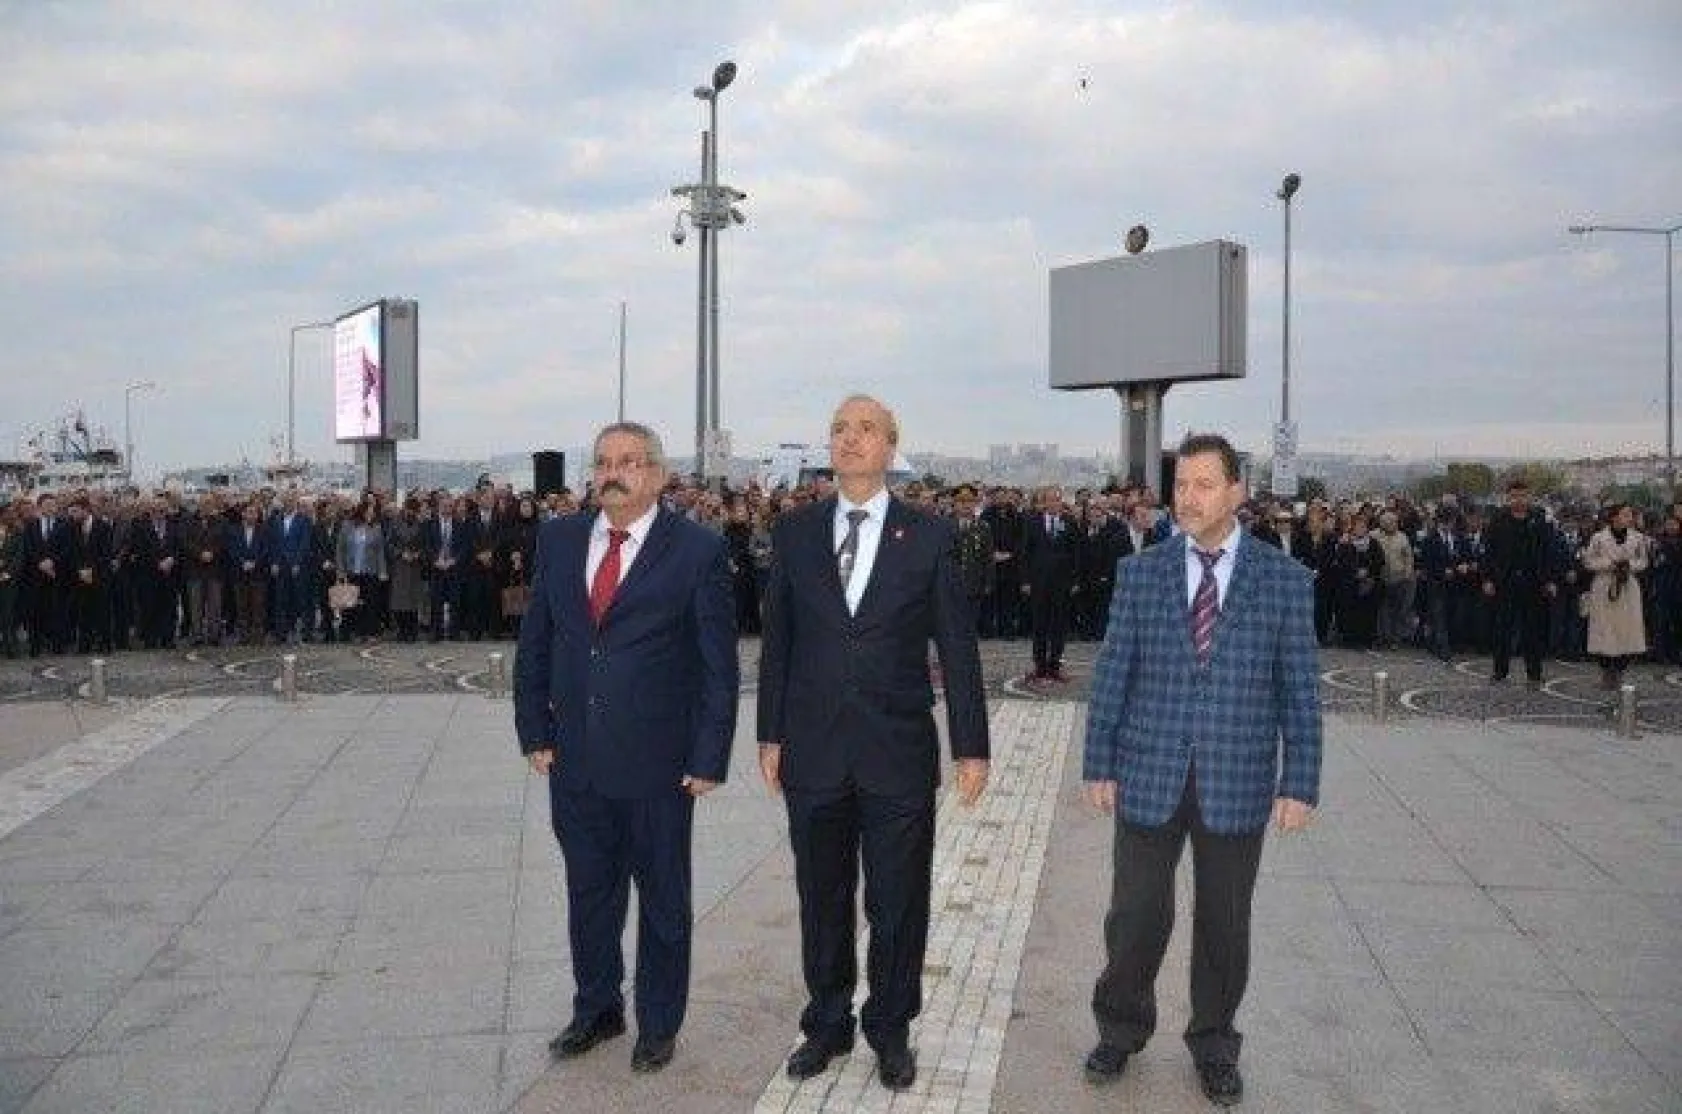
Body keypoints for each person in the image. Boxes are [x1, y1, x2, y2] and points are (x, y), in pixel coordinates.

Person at [756, 394, 990, 1093]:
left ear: (891, 447)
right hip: (815, 750)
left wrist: (970, 746)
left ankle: (889, 1027)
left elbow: (957, 645)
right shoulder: (795, 532)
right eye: (839, 429)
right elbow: (779, 644)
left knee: (897, 901)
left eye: (865, 430)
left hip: (898, 753)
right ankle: (826, 1022)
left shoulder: (927, 534)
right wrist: (770, 731)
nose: (850, 439)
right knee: (822, 895)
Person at [1082, 433, 1321, 1108]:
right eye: (1181, 485)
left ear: (1237, 493)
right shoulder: (1142, 572)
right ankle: (1120, 1029)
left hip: (1237, 777)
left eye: (1204, 485)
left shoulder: (1284, 581)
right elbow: (1112, 674)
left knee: (1224, 923)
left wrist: (1299, 780)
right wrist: (1098, 760)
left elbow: (1299, 689)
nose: (1188, 498)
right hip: (1148, 769)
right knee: (1135, 915)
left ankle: (1214, 1042)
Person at [514, 421, 739, 1075]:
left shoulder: (696, 550)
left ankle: (659, 1025)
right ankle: (596, 1010)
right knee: (590, 895)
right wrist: (535, 730)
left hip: (660, 767)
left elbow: (717, 667)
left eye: (630, 462)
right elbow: (538, 640)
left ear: (658, 475)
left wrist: (707, 756)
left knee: (664, 902)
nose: (613, 472)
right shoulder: (557, 540)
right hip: (575, 761)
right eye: (604, 462)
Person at [1481, 479, 1558, 687]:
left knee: (1531, 631)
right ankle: (1500, 672)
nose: (1519, 500)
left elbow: (1548, 551)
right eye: (1515, 496)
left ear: (1530, 497)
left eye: (1523, 496)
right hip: (1504, 582)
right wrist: (1487, 578)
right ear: (1508, 497)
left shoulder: (1540, 520)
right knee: (1502, 630)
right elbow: (1488, 551)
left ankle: (1534, 673)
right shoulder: (1498, 520)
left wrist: (1549, 579)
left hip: (1533, 582)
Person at [1582, 503, 1648, 690]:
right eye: (1625, 514)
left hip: (1628, 587)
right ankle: (1606, 670)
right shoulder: (1598, 538)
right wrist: (1608, 564)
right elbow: (1588, 560)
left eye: (1630, 514)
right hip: (1604, 587)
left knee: (1626, 629)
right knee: (1604, 629)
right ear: (1614, 517)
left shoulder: (1638, 538)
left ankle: (1620, 670)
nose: (1629, 517)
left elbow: (1643, 561)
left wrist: (1629, 565)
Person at [1021, 485, 1080, 682]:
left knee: (1059, 625)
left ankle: (1055, 665)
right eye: (1050, 499)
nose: (1054, 503)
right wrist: (1025, 580)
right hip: (1038, 583)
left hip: (1061, 584)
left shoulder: (1070, 522)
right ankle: (1039, 666)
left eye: (1057, 499)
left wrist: (1074, 580)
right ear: (1044, 502)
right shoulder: (1032, 522)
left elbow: (1076, 554)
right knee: (1039, 626)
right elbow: (1025, 553)